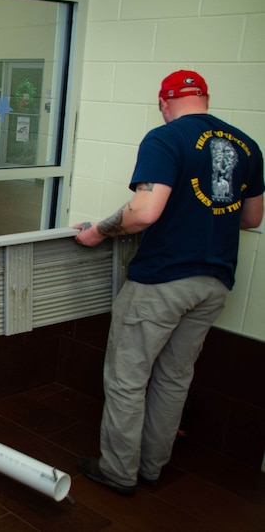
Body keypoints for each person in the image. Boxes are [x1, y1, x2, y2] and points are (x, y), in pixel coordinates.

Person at [73, 70, 264, 496]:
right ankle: (152, 468)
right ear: (205, 98)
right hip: (215, 282)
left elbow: (143, 212)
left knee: (127, 377)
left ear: (164, 103)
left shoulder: (166, 139)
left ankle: (118, 472)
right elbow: (252, 218)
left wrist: (99, 231)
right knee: (175, 377)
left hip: (162, 279)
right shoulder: (247, 144)